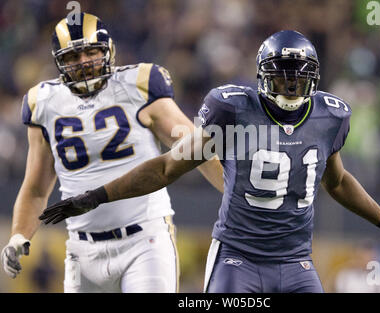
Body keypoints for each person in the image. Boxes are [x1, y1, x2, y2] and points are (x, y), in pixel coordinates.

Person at [38, 30, 380, 293]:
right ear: (263, 76)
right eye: (281, 76)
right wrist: (98, 195)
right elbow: (165, 167)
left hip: (297, 261)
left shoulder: (330, 115)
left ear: (313, 79)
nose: (289, 85)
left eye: (297, 77)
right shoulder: (231, 109)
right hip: (239, 258)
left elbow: (336, 182)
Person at [1, 13, 223, 293]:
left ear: (107, 51)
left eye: (91, 52)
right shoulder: (43, 103)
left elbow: (195, 149)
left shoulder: (138, 85)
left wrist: (235, 196)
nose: (83, 64)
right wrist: (19, 234)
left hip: (144, 241)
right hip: (81, 248)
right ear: (59, 62)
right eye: (73, 57)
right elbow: (35, 189)